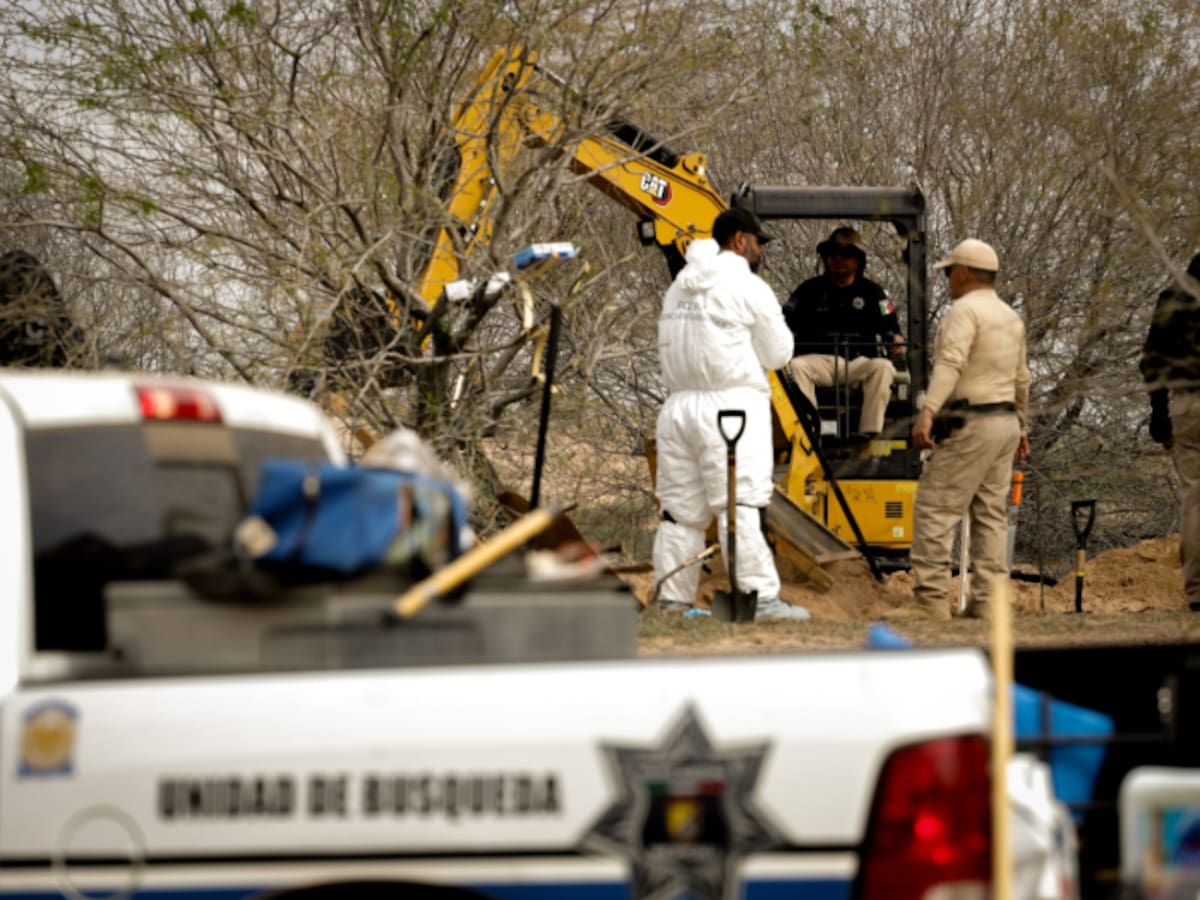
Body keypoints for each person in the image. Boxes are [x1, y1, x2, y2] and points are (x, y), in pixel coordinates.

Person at [652, 207, 810, 621]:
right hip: (731, 409)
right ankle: (758, 599)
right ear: (740, 241)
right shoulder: (748, 286)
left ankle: (671, 598)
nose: (760, 251)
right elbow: (779, 353)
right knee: (739, 504)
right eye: (758, 243)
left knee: (679, 512)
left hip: (678, 408)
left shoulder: (680, 287)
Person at [887, 238, 1031, 621]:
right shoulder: (1010, 317)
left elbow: (951, 363)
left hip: (973, 421)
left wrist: (928, 412)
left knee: (935, 507)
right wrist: (1022, 424)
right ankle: (987, 602)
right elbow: (1022, 378)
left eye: (950, 271)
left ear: (964, 272)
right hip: (1005, 424)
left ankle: (930, 600)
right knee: (991, 515)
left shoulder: (964, 312)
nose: (948, 278)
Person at [782, 227, 905, 438]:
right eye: (832, 254)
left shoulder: (873, 293)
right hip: (820, 362)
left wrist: (895, 339)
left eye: (845, 255)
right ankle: (810, 434)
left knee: (884, 367)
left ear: (858, 260)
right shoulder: (808, 290)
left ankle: (871, 434)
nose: (837, 259)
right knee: (795, 367)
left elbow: (892, 330)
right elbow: (782, 323)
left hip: (859, 363)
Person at [1140, 252, 1200, 611]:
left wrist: (1158, 413)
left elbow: (1152, 363)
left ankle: (1197, 591)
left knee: (1195, 499)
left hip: (1188, 404)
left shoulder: (1173, 299)